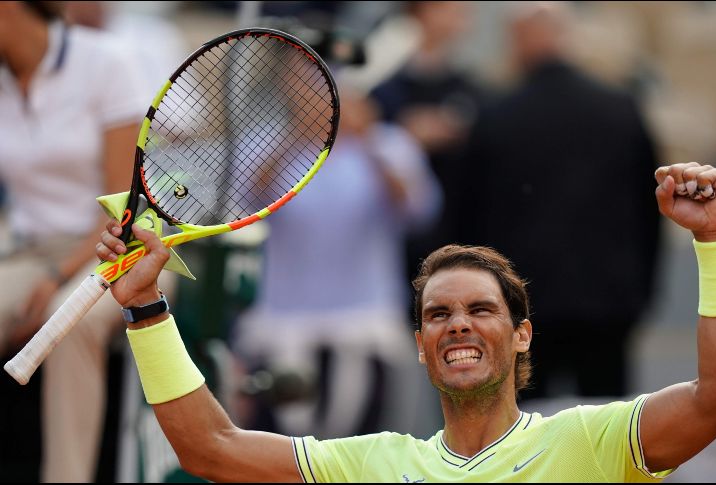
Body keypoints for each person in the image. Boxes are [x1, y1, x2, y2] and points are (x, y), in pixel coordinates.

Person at [97, 161, 716, 482]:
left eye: (481, 309)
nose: (458, 324)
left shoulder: (591, 440)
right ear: (421, 345)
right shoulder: (373, 463)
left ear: (522, 334)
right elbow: (211, 447)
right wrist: (145, 308)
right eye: (439, 314)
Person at [0, 1, 171, 481]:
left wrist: (58, 276)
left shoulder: (107, 62)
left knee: (70, 322)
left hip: (125, 249)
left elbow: (122, 207)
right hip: (31, 251)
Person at [459, 1, 661, 398]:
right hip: (608, 302)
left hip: (522, 305)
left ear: (518, 39)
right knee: (607, 424)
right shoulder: (619, 109)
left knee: (523, 427)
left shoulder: (496, 115)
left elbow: (469, 218)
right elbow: (649, 210)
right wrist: (641, 293)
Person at [230, 86, 442, 439]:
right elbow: (243, 206)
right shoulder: (266, 142)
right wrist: (298, 137)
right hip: (282, 324)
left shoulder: (388, 144)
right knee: (278, 443)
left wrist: (367, 140)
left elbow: (417, 211)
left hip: (365, 325)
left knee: (361, 443)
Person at [371, 0, 481, 285]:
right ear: (419, 12)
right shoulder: (385, 90)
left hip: (459, 233)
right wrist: (404, 138)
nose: (459, 16)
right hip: (398, 249)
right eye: (446, 8)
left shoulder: (472, 90)